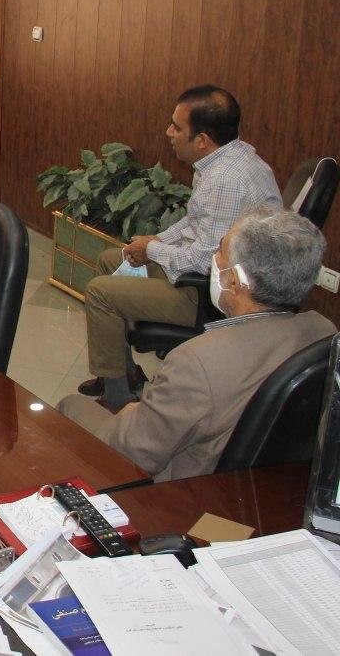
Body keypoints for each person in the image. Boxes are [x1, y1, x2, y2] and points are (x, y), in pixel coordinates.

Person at [60, 207, 334, 481]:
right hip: (266, 483)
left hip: (183, 489)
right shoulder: (325, 332)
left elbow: (131, 451)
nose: (214, 259)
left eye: (220, 251)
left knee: (70, 406)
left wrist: (129, 415)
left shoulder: (197, 362)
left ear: (235, 281)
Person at [77, 85, 280, 399]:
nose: (168, 132)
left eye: (176, 127)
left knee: (100, 292)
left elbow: (204, 260)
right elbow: (195, 220)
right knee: (112, 260)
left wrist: (151, 250)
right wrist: (157, 240)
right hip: (206, 273)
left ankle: (117, 397)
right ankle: (124, 372)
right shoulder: (223, 159)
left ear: (202, 140)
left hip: (213, 294)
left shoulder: (225, 181)